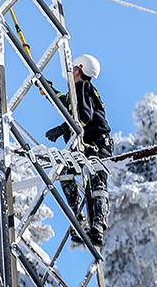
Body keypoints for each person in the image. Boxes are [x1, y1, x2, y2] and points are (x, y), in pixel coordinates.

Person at [44, 54, 111, 248]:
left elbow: (84, 116)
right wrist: (47, 89)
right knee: (67, 172)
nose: (71, 71)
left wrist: (63, 130)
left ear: (79, 70)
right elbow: (65, 102)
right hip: (90, 145)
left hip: (96, 144)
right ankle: (84, 222)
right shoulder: (80, 91)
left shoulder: (83, 87)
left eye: (74, 68)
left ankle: (95, 225)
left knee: (97, 181)